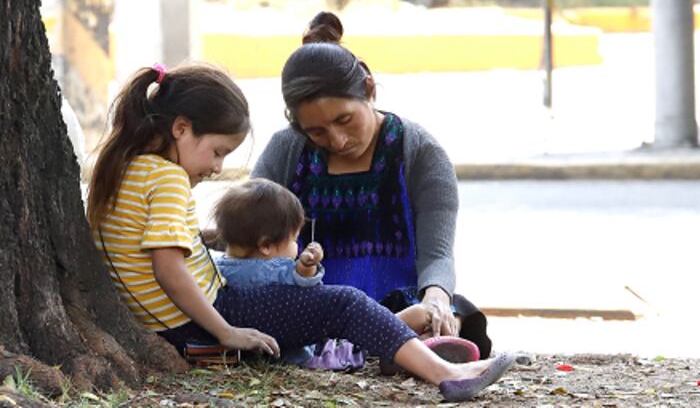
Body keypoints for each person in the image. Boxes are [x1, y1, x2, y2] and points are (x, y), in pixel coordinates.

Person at [86, 62, 512, 402]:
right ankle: (445, 373)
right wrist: (225, 331)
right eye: (217, 152)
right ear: (180, 128)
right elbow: (168, 268)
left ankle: (403, 348)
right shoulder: (168, 179)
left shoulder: (125, 169)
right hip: (205, 318)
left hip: (181, 319)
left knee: (337, 304)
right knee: (344, 303)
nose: (217, 168)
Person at [252, 11, 492, 359]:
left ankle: (405, 341)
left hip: (398, 303)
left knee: (451, 312)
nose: (337, 140)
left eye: (345, 120)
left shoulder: (419, 151)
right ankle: (394, 347)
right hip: (314, 309)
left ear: (369, 89)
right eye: (316, 132)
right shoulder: (286, 150)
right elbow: (248, 236)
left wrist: (437, 297)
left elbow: (437, 254)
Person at [213, 178, 442, 370]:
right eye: (294, 240)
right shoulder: (274, 269)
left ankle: (413, 340)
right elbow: (306, 290)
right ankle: (409, 337)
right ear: (265, 246)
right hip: (313, 352)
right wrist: (307, 265)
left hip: (287, 344)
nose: (296, 246)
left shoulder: (216, 267)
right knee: (371, 336)